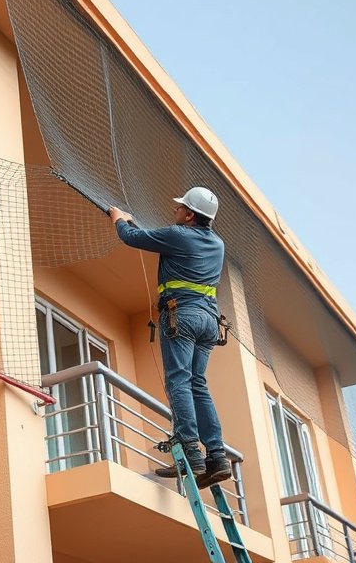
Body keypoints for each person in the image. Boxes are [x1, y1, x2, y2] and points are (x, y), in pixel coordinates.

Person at [109, 186, 231, 488]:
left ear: (190, 215)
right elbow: (162, 240)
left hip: (182, 316)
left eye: (180, 208)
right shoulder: (217, 243)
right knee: (197, 383)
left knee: (178, 380)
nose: (174, 211)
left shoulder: (179, 235)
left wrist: (118, 218)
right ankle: (216, 456)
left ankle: (190, 451)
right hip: (208, 321)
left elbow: (130, 238)